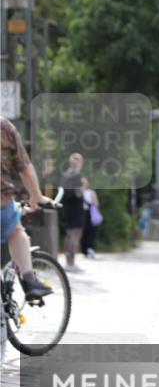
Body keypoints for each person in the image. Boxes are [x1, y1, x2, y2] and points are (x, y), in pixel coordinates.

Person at [0, 117, 55, 299]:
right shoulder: (4, 127)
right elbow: (25, 168)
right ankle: (29, 281)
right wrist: (37, 196)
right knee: (16, 231)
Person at [59, 153, 86, 272]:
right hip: (76, 208)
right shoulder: (77, 176)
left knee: (69, 234)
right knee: (75, 235)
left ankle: (67, 262)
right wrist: (84, 186)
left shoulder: (65, 175)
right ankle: (72, 263)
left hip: (67, 208)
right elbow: (78, 193)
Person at [81, 177, 101, 259]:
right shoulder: (78, 192)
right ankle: (85, 250)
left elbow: (96, 204)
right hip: (81, 214)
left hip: (89, 214)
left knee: (91, 232)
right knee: (83, 233)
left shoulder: (91, 192)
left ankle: (90, 249)